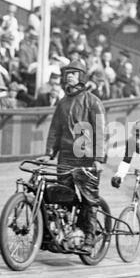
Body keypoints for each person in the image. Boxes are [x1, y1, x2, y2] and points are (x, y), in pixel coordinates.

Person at [39, 60, 106, 254]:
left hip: (87, 158)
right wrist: (49, 153)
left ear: (82, 77)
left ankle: (90, 238)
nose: (70, 75)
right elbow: (55, 130)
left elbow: (101, 132)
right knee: (62, 196)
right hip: (66, 157)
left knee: (89, 199)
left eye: (74, 73)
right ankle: (63, 234)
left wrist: (98, 158)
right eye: (68, 72)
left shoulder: (93, 102)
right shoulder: (62, 103)